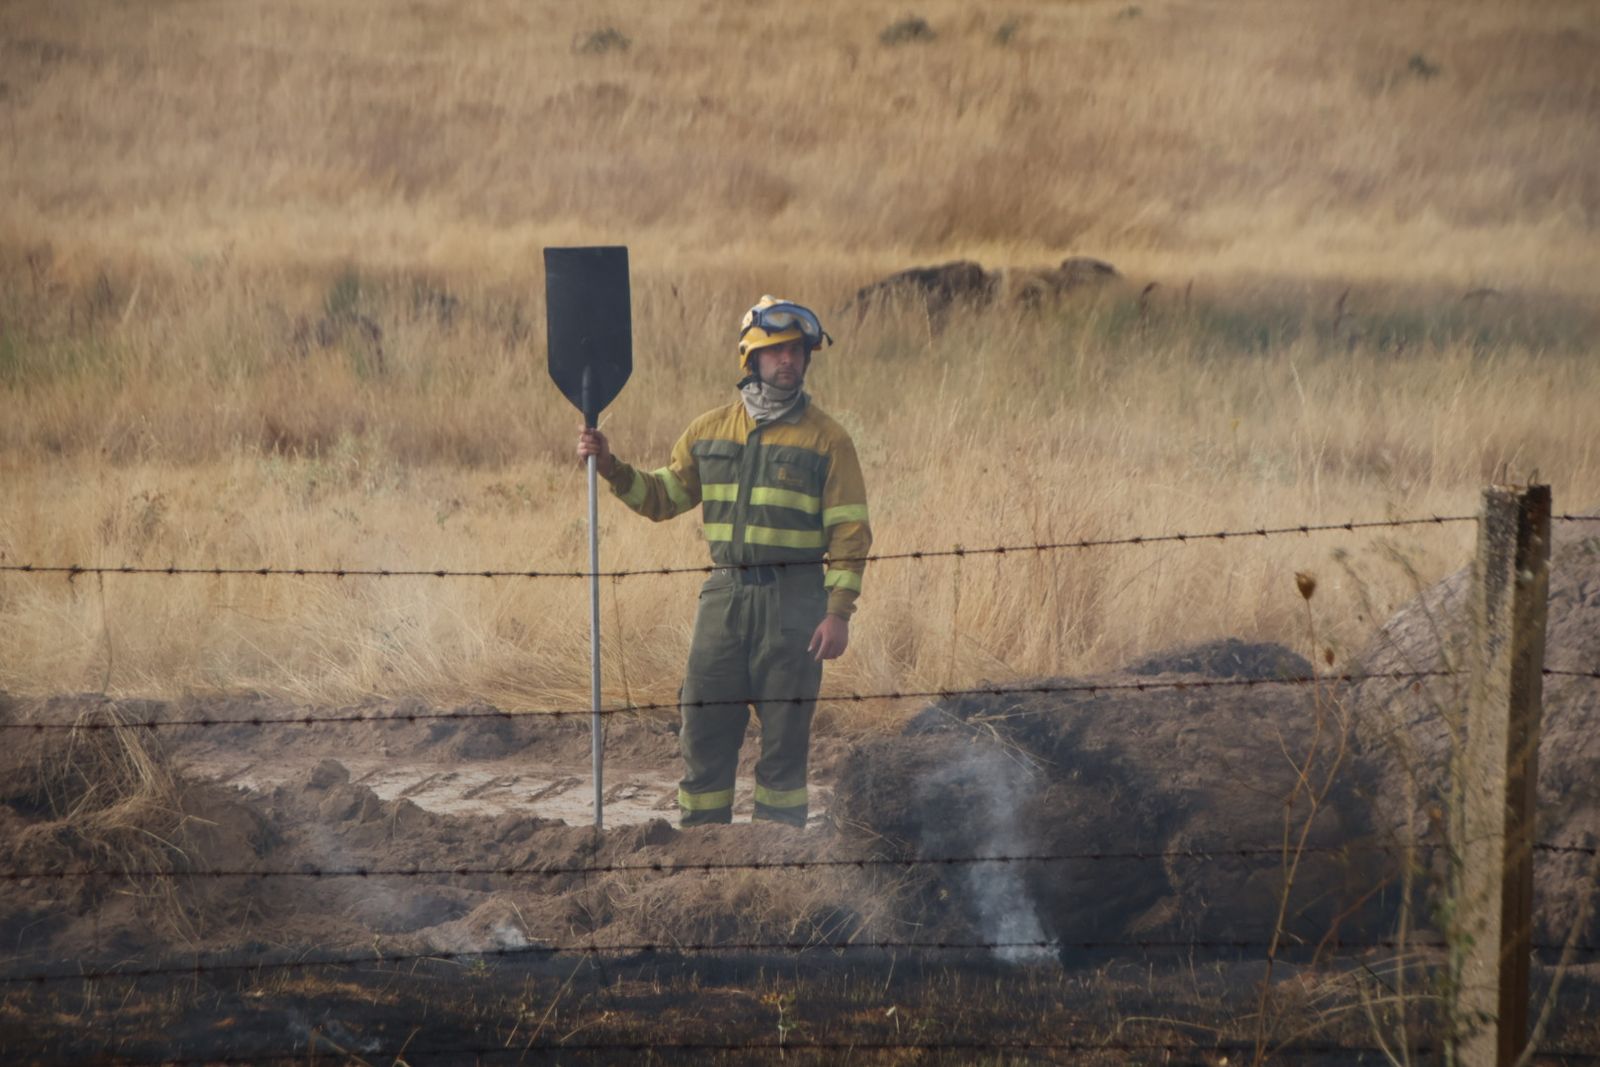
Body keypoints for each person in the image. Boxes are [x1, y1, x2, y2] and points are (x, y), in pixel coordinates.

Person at [576, 296, 871, 828]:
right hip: (724, 599)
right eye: (776, 351)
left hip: (797, 604)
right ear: (751, 359)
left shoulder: (829, 440)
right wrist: (611, 467)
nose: (788, 361)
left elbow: (851, 531)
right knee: (704, 729)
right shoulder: (707, 431)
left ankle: (773, 866)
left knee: (785, 742)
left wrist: (838, 612)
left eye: (797, 352)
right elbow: (663, 497)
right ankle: (702, 860)